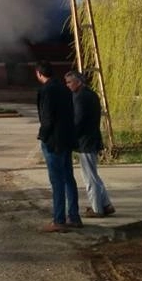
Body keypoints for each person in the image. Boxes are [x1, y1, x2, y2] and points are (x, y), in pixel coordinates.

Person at [35, 60, 81, 232]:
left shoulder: (46, 90)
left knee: (57, 181)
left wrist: (43, 136)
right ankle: (74, 216)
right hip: (67, 139)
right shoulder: (64, 88)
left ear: (39, 74)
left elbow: (47, 118)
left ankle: (59, 219)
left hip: (53, 141)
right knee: (68, 178)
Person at [65, 70, 115, 217]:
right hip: (92, 138)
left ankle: (97, 209)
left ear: (78, 82)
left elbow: (78, 121)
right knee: (93, 175)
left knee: (89, 177)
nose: (67, 85)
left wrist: (70, 137)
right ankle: (106, 205)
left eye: (69, 82)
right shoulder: (91, 94)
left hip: (85, 141)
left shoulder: (80, 97)